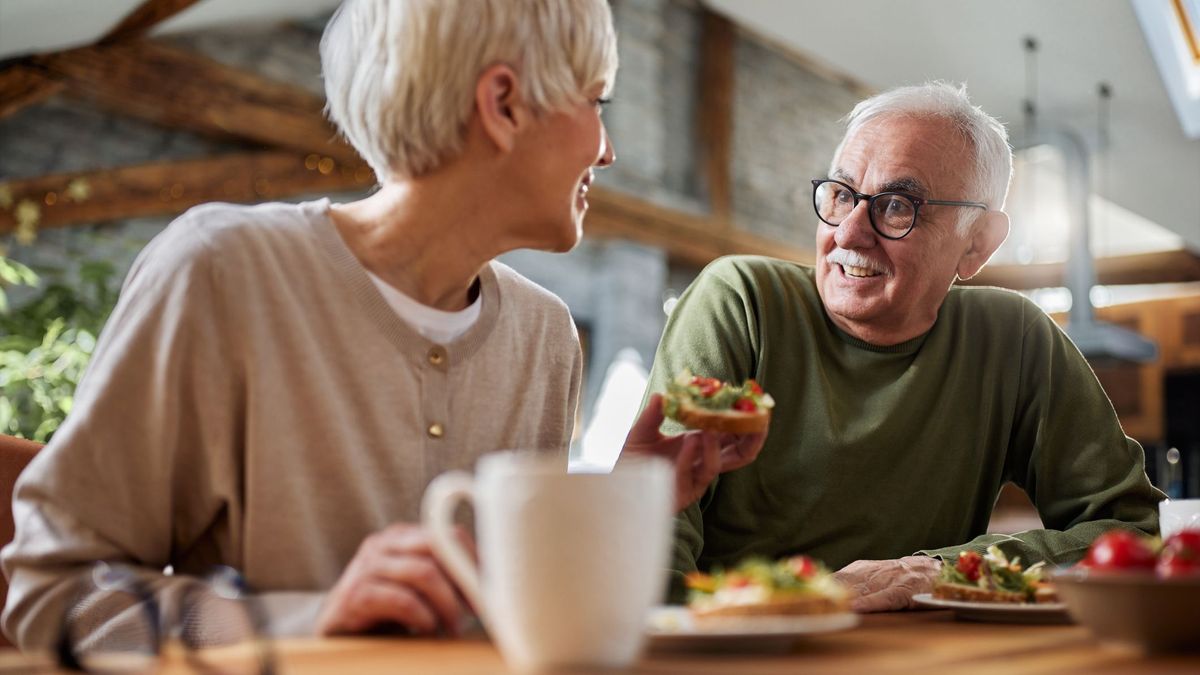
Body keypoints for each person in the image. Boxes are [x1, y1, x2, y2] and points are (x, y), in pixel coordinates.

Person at [1, 0, 760, 650]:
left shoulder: (545, 335)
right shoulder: (221, 272)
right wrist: (305, 618)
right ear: (503, 106)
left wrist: (631, 492)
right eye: (597, 102)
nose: (608, 147)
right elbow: (51, 595)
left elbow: (498, 607)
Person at [645, 82, 1163, 611]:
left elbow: (1133, 532)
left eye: (896, 206)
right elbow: (654, 542)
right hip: (743, 651)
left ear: (977, 242)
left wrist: (936, 571)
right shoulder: (741, 301)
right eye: (842, 194)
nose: (848, 233)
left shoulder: (1015, 338)